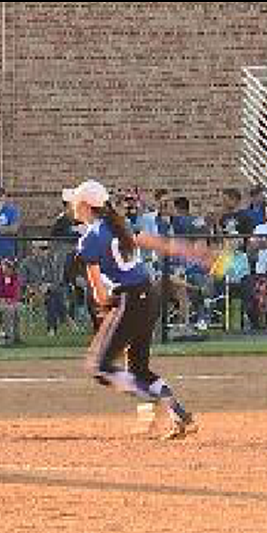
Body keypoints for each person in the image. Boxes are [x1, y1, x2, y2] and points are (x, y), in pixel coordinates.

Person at [63, 179, 211, 441]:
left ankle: (153, 400)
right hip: (148, 296)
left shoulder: (91, 238)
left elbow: (98, 292)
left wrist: (105, 309)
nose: (72, 205)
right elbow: (156, 243)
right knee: (139, 370)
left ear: (86, 205)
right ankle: (179, 414)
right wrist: (189, 251)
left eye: (76, 201)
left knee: (100, 366)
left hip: (130, 300)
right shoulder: (118, 225)